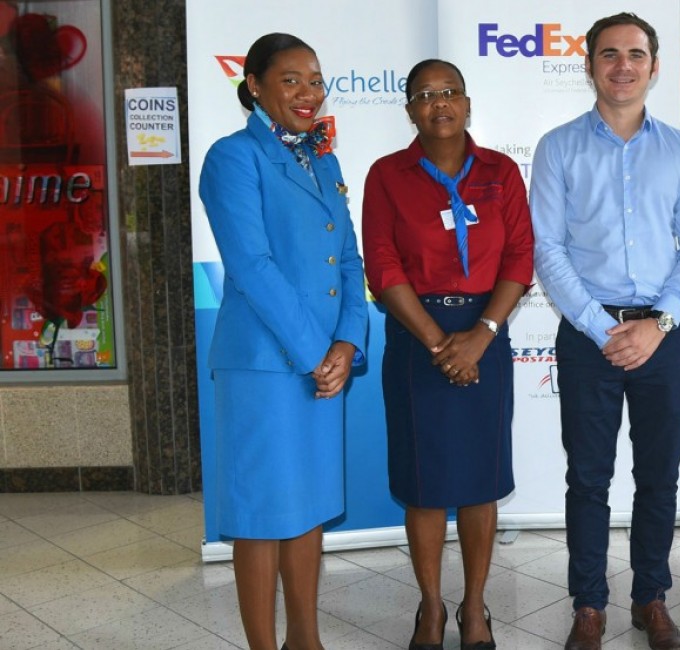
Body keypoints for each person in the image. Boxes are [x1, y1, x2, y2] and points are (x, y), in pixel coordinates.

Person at [529, 13, 680, 650]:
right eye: (610, 54)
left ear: (655, 67)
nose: (623, 66)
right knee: (589, 478)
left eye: (636, 54)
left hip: (662, 336)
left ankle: (651, 597)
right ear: (590, 65)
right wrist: (603, 327)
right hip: (589, 336)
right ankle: (589, 605)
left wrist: (658, 324)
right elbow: (547, 250)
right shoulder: (558, 147)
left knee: (660, 475)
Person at [197, 32, 368, 650]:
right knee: (263, 515)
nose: (307, 92)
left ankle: (306, 639)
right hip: (265, 367)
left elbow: (349, 260)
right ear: (255, 86)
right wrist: (317, 351)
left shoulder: (324, 160)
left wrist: (348, 344)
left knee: (310, 506)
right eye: (291, 79)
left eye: (316, 80)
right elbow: (251, 264)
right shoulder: (232, 157)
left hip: (324, 364)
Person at [362, 58, 533, 650]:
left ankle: (476, 607)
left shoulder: (502, 172)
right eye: (426, 94)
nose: (440, 103)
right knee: (426, 483)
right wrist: (439, 343)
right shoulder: (387, 175)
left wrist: (480, 335)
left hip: (485, 333)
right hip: (418, 339)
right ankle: (431, 607)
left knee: (480, 484)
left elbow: (519, 259)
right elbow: (382, 267)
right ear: (409, 109)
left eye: (450, 92)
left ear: (467, 102)